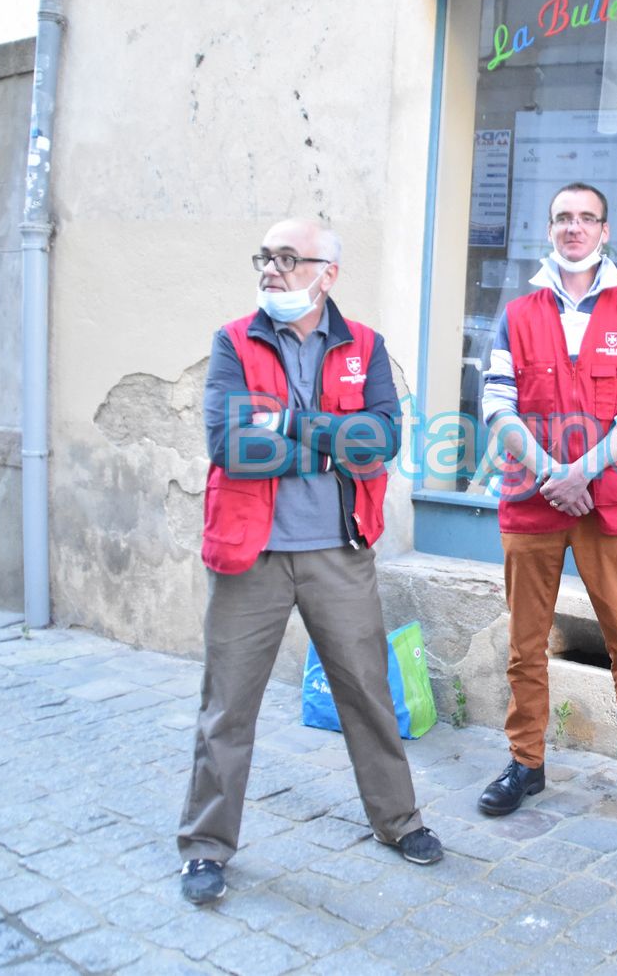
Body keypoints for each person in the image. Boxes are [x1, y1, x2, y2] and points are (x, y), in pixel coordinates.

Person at [177, 217, 441, 906]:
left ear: (328, 273)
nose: (271, 268)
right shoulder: (234, 340)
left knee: (367, 692)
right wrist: (329, 444)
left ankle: (398, 819)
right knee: (227, 706)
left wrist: (291, 424)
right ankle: (205, 846)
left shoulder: (366, 346)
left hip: (337, 550)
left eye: (289, 258)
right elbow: (229, 443)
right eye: (264, 255)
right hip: (252, 554)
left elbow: (380, 438)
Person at [477, 182, 617, 835]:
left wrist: (583, 472)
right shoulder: (518, 314)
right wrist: (552, 476)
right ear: (549, 230)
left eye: (586, 218)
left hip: (609, 503)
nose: (574, 228)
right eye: (562, 218)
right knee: (524, 643)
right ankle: (525, 761)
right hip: (533, 500)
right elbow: (497, 404)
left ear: (606, 231)